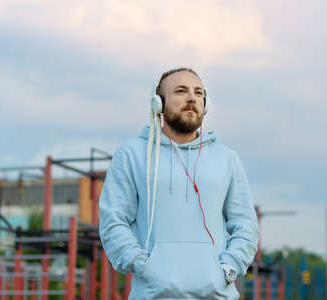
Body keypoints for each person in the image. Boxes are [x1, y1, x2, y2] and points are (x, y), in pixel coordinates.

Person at [99, 67, 259, 299]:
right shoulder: (131, 154)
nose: (192, 98)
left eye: (198, 92)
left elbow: (246, 224)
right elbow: (113, 220)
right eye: (181, 91)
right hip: (153, 294)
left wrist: (228, 268)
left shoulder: (227, 158)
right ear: (158, 103)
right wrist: (142, 264)